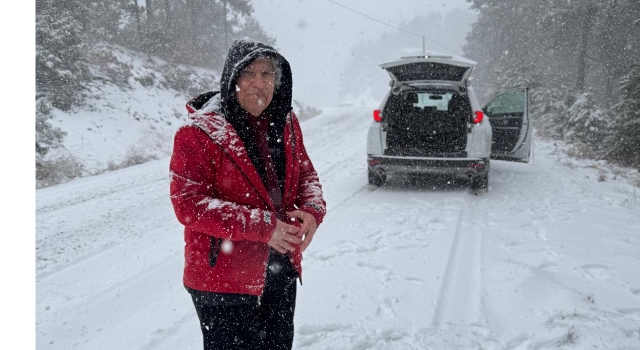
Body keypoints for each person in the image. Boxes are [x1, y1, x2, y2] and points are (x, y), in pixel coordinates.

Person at [169, 39, 326, 350]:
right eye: (249, 74)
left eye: (267, 74)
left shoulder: (287, 122)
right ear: (232, 79)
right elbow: (188, 205)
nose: (259, 83)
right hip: (223, 280)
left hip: (280, 268)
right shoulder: (197, 133)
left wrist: (312, 210)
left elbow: (307, 175)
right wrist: (262, 226)